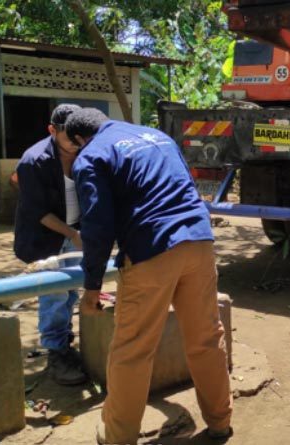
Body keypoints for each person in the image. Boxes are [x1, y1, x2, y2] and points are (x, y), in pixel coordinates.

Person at [64, 108, 233, 443]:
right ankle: (219, 422)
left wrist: (92, 286)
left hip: (150, 250)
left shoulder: (92, 155)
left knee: (132, 349)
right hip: (199, 242)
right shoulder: (158, 138)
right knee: (206, 339)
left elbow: (97, 227)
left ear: (80, 138)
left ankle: (117, 436)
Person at [13, 103, 87, 386]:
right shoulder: (33, 161)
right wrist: (71, 233)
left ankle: (64, 341)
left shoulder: (84, 153)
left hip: (75, 234)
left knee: (70, 293)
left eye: (80, 135)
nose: (76, 142)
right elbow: (37, 211)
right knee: (53, 296)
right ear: (52, 131)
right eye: (70, 135)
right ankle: (56, 353)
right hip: (49, 238)